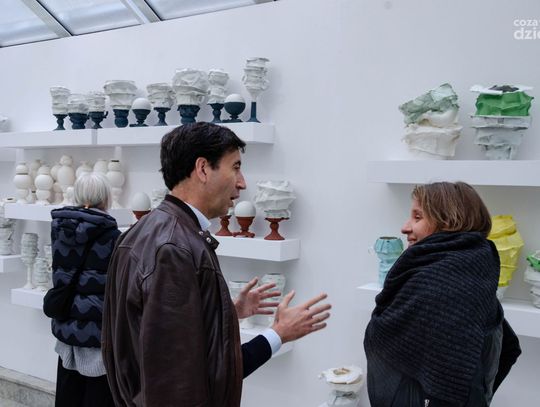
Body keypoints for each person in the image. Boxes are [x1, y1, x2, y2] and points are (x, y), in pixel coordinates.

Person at [102, 122, 331, 406]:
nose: (242, 183)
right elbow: (177, 383)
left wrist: (226, 312)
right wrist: (278, 333)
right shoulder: (173, 249)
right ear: (202, 169)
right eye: (235, 167)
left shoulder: (150, 232)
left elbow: (167, 339)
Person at [364, 181, 521, 407]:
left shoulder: (439, 288)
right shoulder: (472, 277)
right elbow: (507, 348)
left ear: (448, 222)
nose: (405, 227)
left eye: (417, 217)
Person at [50, 173, 120, 407]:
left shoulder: (60, 230)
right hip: (98, 336)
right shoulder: (113, 237)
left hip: (67, 331)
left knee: (67, 397)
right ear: (106, 198)